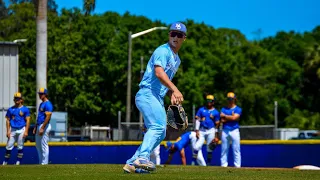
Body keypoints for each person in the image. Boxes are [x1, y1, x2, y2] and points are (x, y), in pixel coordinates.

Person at [123, 22, 187, 174]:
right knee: (158, 127)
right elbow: (159, 73)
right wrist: (175, 89)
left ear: (184, 38)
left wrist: (171, 93)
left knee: (161, 132)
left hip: (156, 96)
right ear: (168, 35)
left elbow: (163, 80)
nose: (175, 37)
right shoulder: (163, 51)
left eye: (179, 35)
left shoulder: (176, 59)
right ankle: (143, 157)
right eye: (173, 33)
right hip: (147, 93)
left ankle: (132, 163)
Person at [2, 92, 30, 165]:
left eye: (18, 99)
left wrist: (26, 131)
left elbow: (28, 120)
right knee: (9, 146)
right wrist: (8, 131)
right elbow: (8, 120)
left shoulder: (25, 109)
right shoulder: (10, 109)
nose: (16, 100)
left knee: (20, 146)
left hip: (21, 129)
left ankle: (18, 162)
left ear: (21, 100)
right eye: (15, 99)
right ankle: (5, 162)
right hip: (13, 129)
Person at [194, 94, 220, 165]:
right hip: (202, 130)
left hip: (211, 130)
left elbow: (217, 124)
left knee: (209, 148)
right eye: (208, 100)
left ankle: (208, 164)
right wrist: (196, 130)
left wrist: (216, 135)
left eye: (210, 101)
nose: (209, 102)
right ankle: (193, 163)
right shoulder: (201, 109)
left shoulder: (216, 112)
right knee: (196, 147)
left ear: (213, 102)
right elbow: (197, 119)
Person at [220, 92, 242, 168]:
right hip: (225, 130)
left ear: (234, 99)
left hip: (234, 130)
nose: (230, 100)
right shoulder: (224, 109)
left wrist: (226, 116)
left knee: (236, 149)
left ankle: (237, 166)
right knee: (224, 149)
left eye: (231, 99)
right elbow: (222, 120)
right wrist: (230, 117)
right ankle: (223, 165)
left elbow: (234, 118)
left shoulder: (238, 109)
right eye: (229, 99)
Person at [33, 88, 53, 165]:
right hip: (39, 125)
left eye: (41, 94)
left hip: (45, 125)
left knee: (44, 144)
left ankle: (44, 163)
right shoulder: (41, 104)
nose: (40, 95)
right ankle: (41, 162)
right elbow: (39, 117)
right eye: (39, 94)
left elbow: (48, 117)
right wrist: (35, 126)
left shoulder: (48, 104)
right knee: (38, 145)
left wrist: (42, 127)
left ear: (45, 94)